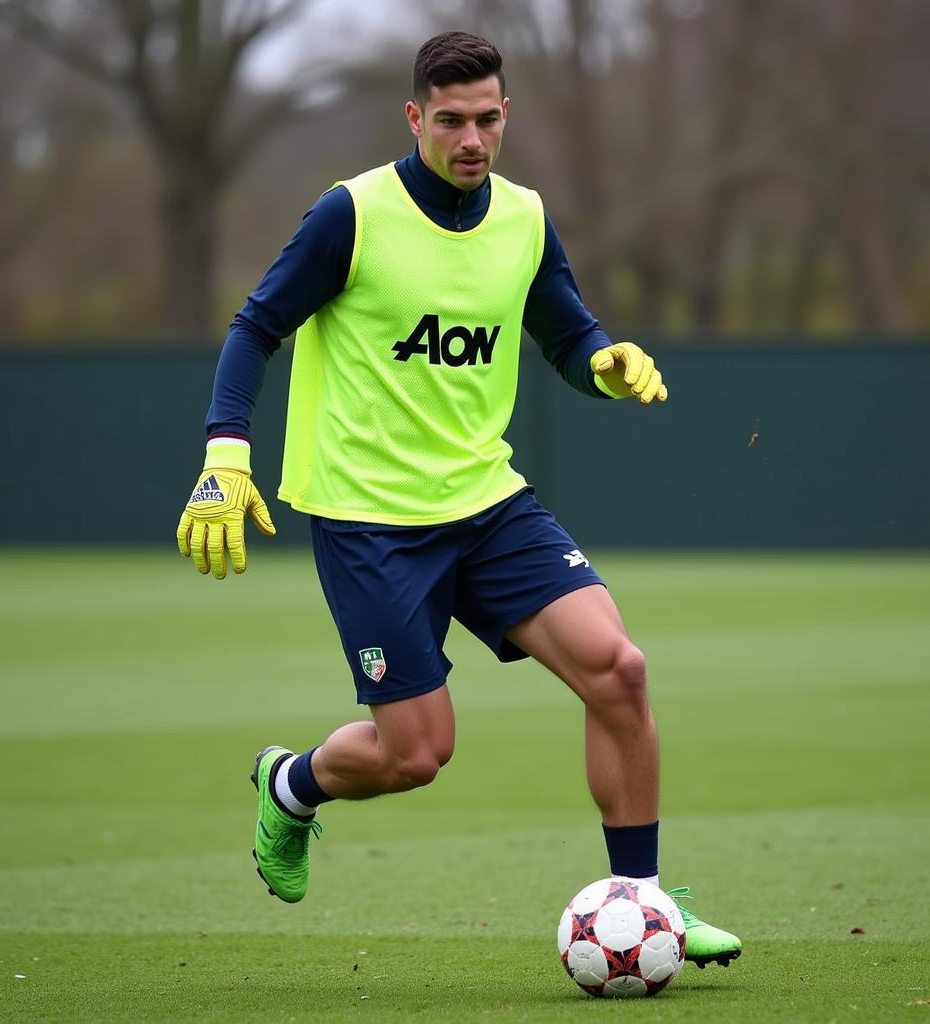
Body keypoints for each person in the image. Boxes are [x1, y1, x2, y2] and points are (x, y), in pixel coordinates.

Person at [176, 30, 741, 969]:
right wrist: (225, 450)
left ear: (505, 113)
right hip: (369, 520)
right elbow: (255, 325)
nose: (471, 138)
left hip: (488, 504)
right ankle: (292, 787)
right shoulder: (350, 214)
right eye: (450, 121)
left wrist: (604, 363)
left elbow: (565, 330)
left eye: (486, 118)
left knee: (620, 672)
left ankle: (646, 906)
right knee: (415, 756)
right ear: (416, 118)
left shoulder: (524, 217)